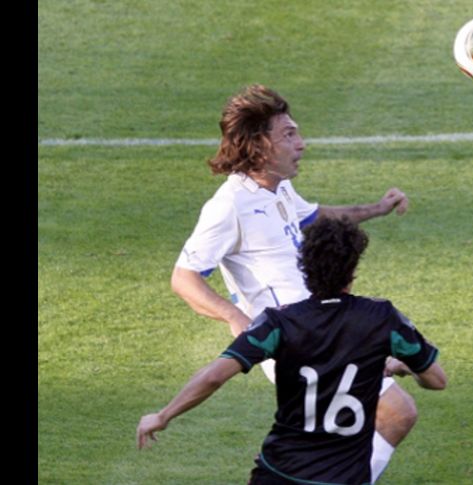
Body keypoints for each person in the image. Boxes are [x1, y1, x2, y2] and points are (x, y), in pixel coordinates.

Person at [170, 84, 416, 481]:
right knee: (394, 412)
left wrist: (378, 208)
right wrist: (235, 318)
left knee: (336, 436)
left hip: (321, 325)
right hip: (294, 339)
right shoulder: (228, 206)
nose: (301, 144)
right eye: (288, 135)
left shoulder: (279, 188)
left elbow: (318, 218)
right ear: (259, 144)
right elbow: (184, 278)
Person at [138, 217, 447, 484]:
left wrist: (164, 415)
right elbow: (437, 380)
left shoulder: (278, 323)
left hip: (280, 473)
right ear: (352, 270)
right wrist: (402, 366)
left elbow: (214, 377)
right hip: (345, 479)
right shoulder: (382, 319)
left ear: (304, 268)